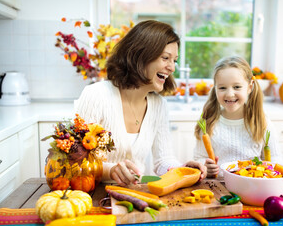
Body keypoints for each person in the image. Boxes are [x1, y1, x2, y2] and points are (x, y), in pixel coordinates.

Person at [76, 20, 207, 186]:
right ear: (140, 56)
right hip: (93, 195)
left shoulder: (159, 105)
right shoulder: (96, 95)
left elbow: (163, 160)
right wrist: (110, 170)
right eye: (165, 58)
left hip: (135, 196)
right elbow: (75, 161)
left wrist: (182, 168)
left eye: (174, 60)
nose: (172, 68)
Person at [193, 56, 283, 178]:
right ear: (215, 89)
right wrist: (205, 167)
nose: (230, 94)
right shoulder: (209, 122)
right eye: (222, 88)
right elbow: (199, 158)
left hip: (254, 187)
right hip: (219, 188)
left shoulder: (262, 122)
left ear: (249, 87)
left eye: (237, 87)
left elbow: (276, 161)